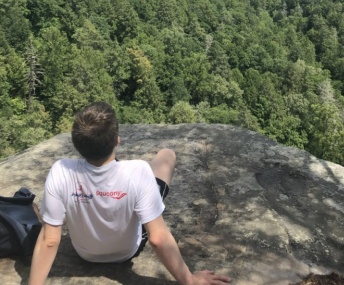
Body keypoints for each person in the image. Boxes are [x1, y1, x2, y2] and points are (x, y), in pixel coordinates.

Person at [28, 101, 231, 285]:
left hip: (85, 253)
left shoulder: (61, 171)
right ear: (117, 140)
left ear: (76, 144)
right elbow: (157, 238)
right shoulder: (138, 171)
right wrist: (189, 280)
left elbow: (50, 239)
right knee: (166, 155)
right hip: (126, 251)